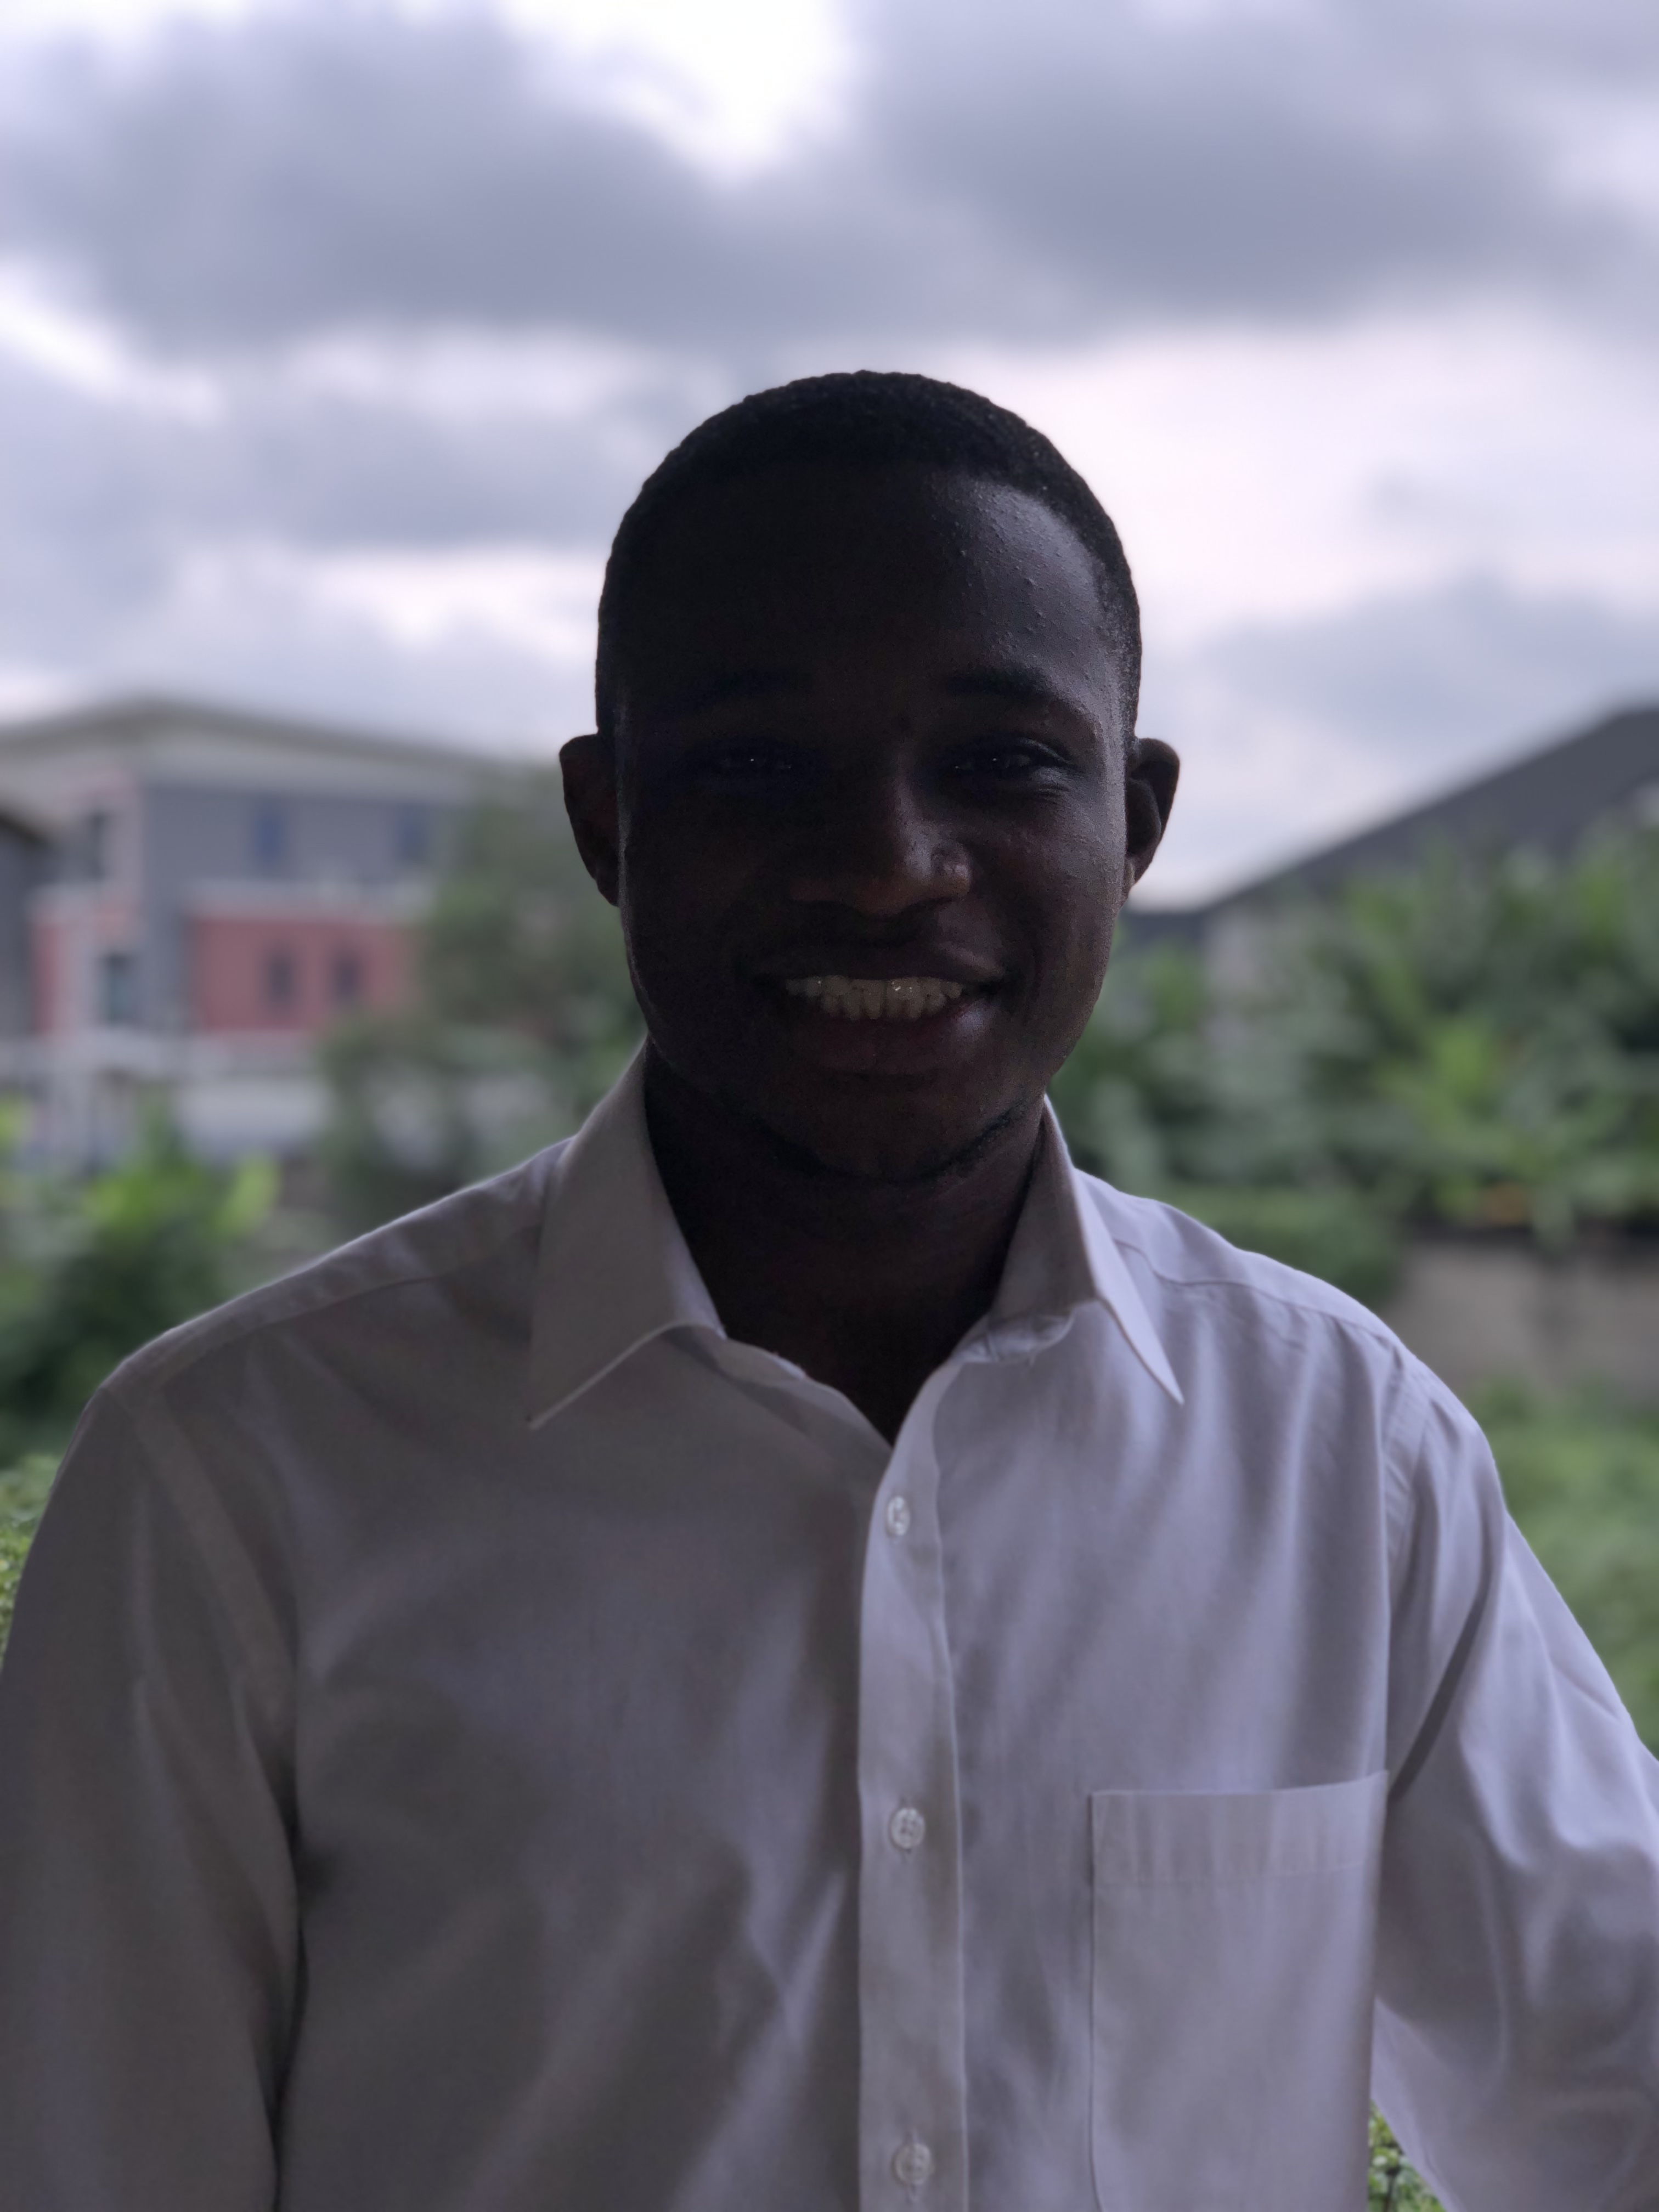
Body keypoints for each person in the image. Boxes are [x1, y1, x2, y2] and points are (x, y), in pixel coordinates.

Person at [1, 372, 1655, 2212]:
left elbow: (1617, 2101)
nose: (887, 865)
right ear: (607, 821)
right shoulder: (239, 1479)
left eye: (1003, 762)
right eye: (756, 766)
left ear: (1137, 820)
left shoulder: (1346, 1455)